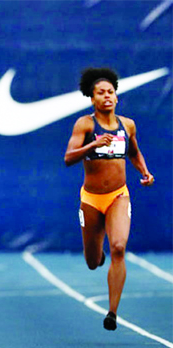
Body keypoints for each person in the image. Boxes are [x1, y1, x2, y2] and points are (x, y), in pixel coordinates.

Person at [64, 67, 154, 331]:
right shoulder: (85, 124)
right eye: (100, 92)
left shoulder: (127, 125)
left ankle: (112, 313)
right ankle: (96, 254)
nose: (106, 96)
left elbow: (134, 152)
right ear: (92, 99)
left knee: (118, 247)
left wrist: (144, 171)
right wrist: (93, 145)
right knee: (93, 262)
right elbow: (68, 158)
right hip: (91, 199)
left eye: (110, 92)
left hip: (118, 196)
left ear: (116, 97)